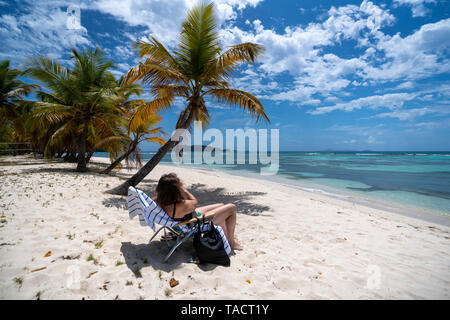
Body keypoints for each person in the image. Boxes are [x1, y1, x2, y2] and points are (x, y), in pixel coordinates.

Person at [152, 173, 243, 250]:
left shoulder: (159, 201)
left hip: (183, 220)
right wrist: (184, 190)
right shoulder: (180, 205)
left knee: (221, 205)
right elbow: (194, 202)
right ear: (175, 190)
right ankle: (231, 243)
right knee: (231, 207)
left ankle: (224, 237)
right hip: (193, 223)